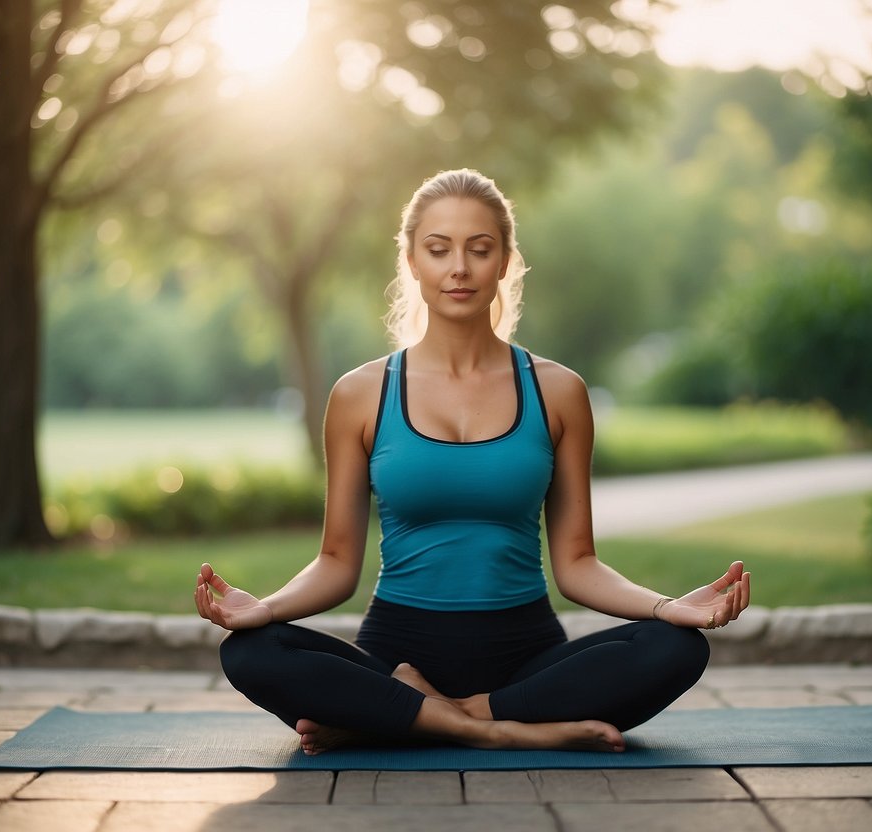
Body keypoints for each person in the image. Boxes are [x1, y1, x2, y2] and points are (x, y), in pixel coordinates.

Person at [194, 168, 751, 755]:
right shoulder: (360, 395)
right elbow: (336, 562)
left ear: (506, 260)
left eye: (479, 249)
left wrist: (668, 607)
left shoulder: (558, 392)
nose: (458, 267)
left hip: (525, 660)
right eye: (438, 250)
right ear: (412, 261)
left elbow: (578, 563)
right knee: (250, 651)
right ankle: (500, 732)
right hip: (396, 655)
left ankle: (410, 718)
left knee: (678, 647)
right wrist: (266, 608)